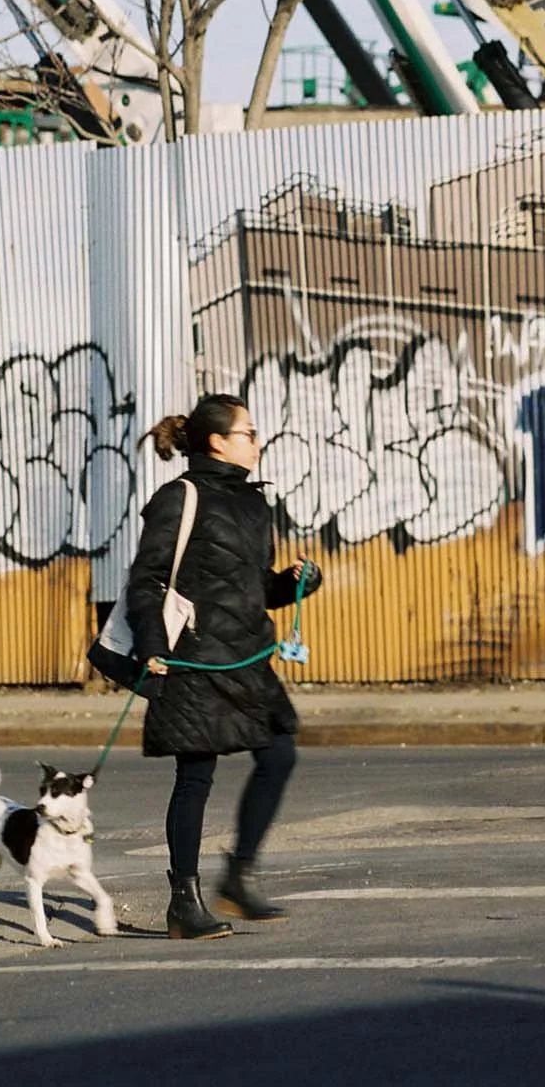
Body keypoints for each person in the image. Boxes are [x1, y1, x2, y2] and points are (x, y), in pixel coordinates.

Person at [126, 392, 321, 940]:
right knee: (196, 776)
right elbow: (146, 579)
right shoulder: (179, 497)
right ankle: (184, 903)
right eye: (249, 433)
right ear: (218, 441)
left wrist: (295, 583)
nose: (257, 442)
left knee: (279, 754)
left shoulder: (254, 503)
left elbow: (254, 589)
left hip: (247, 656)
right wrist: (150, 647)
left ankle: (238, 877)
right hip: (193, 657)